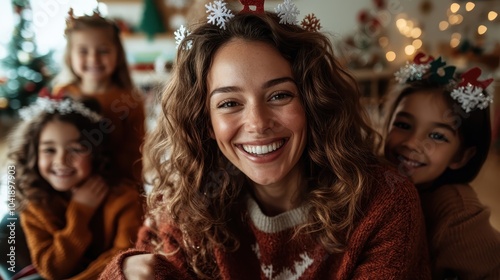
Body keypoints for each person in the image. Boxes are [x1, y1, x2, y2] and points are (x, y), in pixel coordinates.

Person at [100, 7, 431, 280]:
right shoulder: (188, 201)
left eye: (279, 95)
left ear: (313, 103)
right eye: (229, 103)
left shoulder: (383, 202)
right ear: (207, 123)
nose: (258, 123)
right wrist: (124, 272)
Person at [382, 52, 500, 279]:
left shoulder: (457, 211)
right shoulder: (383, 177)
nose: (412, 143)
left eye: (437, 135)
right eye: (403, 125)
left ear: (461, 157)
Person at [7, 96, 144, 280]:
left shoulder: (123, 197)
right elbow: (52, 269)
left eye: (76, 149)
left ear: (95, 153)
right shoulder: (34, 202)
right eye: (49, 150)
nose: (61, 161)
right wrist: (81, 211)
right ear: (33, 154)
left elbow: (125, 260)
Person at [50, 8, 145, 186]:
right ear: (70, 56)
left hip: (111, 185)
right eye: (83, 51)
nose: (94, 58)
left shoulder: (130, 100)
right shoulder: (62, 93)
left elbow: (135, 153)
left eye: (103, 51)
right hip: (67, 179)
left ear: (118, 55)